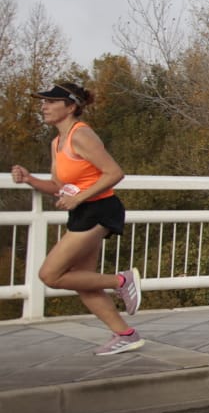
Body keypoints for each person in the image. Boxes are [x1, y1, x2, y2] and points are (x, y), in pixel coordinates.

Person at [9, 83, 142, 355]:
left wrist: (78, 198)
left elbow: (114, 172)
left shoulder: (81, 135)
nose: (44, 107)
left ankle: (121, 281)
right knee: (82, 280)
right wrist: (29, 179)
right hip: (82, 210)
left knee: (50, 275)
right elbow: (58, 185)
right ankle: (125, 335)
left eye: (51, 102)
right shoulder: (57, 142)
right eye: (43, 102)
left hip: (99, 209)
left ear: (70, 106)